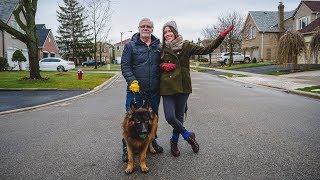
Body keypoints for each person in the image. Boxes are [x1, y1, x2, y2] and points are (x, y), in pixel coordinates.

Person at [160, 21, 233, 157]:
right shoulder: (161, 48)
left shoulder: (186, 45)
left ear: (175, 32)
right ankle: (188, 135)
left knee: (179, 116)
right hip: (167, 87)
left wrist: (221, 36)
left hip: (183, 86)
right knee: (170, 117)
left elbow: (207, 50)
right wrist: (162, 65)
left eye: (169, 31)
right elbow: (154, 63)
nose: (167, 34)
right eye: (165, 32)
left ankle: (174, 142)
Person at [121, 18, 163, 163]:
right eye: (143, 26)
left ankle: (152, 141)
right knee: (131, 119)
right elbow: (125, 66)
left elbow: (162, 64)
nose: (146, 28)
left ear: (152, 29)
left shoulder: (158, 46)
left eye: (149, 26)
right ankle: (127, 148)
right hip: (135, 90)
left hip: (154, 91)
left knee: (152, 118)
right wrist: (132, 80)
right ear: (138, 28)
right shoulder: (130, 46)